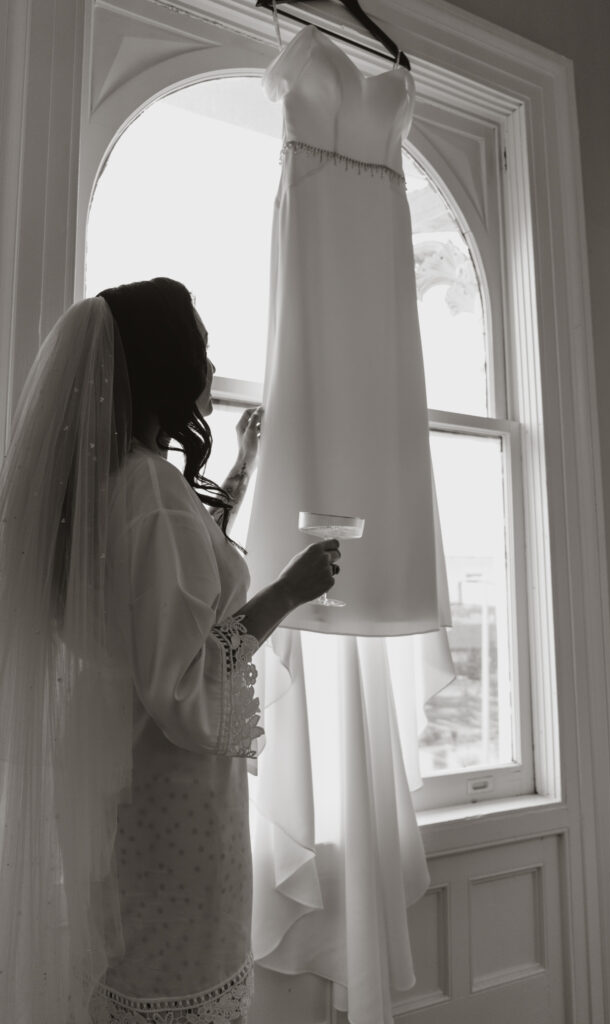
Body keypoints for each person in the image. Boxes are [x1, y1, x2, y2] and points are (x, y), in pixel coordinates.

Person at [0, 277, 341, 1024]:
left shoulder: (108, 490)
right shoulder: (150, 496)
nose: (212, 366)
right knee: (176, 993)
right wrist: (287, 590)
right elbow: (184, 689)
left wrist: (245, 463)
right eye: (202, 346)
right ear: (167, 366)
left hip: (127, 798)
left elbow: (174, 594)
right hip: (176, 812)